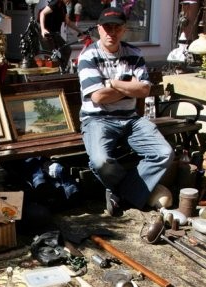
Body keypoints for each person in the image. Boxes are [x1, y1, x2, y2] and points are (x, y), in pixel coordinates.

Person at [77, 7, 174, 216]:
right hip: (97, 119)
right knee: (100, 161)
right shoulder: (88, 56)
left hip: (131, 119)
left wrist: (112, 83)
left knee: (163, 153)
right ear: (99, 29)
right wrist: (129, 87)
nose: (111, 32)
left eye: (117, 27)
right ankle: (131, 192)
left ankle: (121, 193)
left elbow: (144, 90)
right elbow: (98, 97)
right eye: (107, 27)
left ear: (124, 29)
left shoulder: (134, 54)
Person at [39, 0, 82, 73]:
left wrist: (80, 31)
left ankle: (62, 69)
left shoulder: (63, 6)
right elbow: (42, 13)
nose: (69, 1)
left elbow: (68, 22)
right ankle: (53, 73)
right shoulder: (55, 3)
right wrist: (43, 29)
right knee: (52, 55)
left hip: (55, 34)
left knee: (67, 50)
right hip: (47, 33)